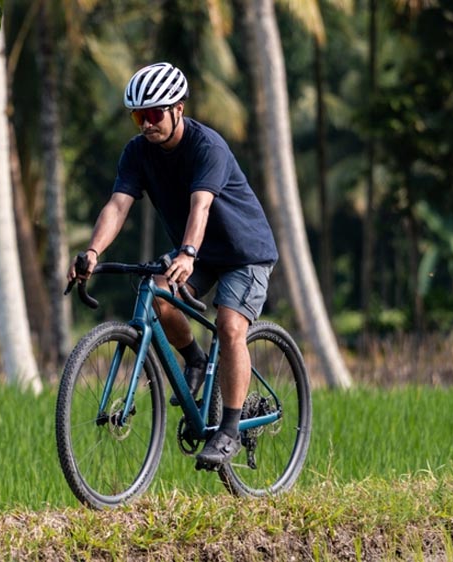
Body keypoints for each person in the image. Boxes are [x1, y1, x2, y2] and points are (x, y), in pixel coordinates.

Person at [68, 62, 278, 467]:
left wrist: (187, 253)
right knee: (160, 295)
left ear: (178, 108)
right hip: (196, 251)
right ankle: (196, 360)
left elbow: (201, 206)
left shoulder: (207, 147)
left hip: (243, 251)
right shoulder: (137, 153)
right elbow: (117, 205)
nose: (146, 124)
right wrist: (92, 252)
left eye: (154, 114)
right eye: (138, 116)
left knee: (231, 325)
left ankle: (229, 430)